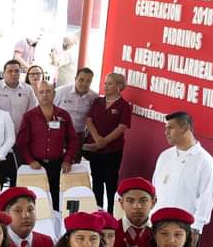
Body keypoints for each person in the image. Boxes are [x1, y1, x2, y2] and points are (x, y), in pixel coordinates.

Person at [152, 111, 213, 246]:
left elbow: (206, 200)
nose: (166, 132)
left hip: (184, 231)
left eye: (170, 128)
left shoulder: (205, 161)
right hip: (157, 225)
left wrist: (196, 230)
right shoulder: (164, 156)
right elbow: (154, 190)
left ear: (185, 128)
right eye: (166, 128)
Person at [15, 82, 78, 210]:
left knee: (56, 197)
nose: (44, 95)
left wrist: (67, 159)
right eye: (41, 92)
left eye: (48, 91)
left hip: (57, 165)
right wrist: (30, 161)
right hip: (35, 165)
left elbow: (72, 140)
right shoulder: (29, 116)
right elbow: (21, 143)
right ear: (37, 95)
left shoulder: (63, 115)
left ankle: (55, 219)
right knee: (35, 198)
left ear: (54, 94)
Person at [83, 72, 132, 212]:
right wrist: (97, 138)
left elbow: (122, 127)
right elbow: (89, 120)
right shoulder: (98, 101)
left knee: (110, 182)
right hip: (95, 148)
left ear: (119, 86)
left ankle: (111, 212)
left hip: (112, 150)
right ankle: (97, 210)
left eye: (110, 84)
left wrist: (104, 141)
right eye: (105, 83)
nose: (106, 86)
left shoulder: (124, 106)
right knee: (96, 180)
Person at [0, 60, 34, 134]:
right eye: (10, 71)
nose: (13, 74)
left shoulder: (28, 89)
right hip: (0, 133)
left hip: (21, 133)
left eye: (17, 71)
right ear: (3, 73)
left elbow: (32, 112)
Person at [55, 67, 96, 141]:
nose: (84, 84)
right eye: (81, 80)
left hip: (79, 134)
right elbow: (49, 109)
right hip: (60, 132)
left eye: (88, 81)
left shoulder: (94, 97)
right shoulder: (61, 91)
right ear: (75, 79)